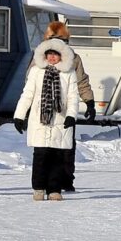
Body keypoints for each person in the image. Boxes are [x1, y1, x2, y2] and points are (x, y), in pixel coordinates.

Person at [13, 39, 79, 201]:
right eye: (49, 54)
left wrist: (71, 115)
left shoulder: (68, 73)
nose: (51, 58)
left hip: (60, 120)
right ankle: (39, 188)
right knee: (41, 156)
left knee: (57, 157)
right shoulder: (36, 71)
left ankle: (54, 189)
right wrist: (19, 115)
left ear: (62, 56)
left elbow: (73, 97)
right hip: (40, 120)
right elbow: (27, 94)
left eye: (55, 55)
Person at [42, 21, 96, 192]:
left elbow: (81, 81)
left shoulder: (73, 58)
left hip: (66, 108)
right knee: (45, 146)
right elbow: (31, 81)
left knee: (66, 146)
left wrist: (89, 102)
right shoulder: (41, 57)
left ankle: (65, 179)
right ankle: (45, 180)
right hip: (45, 107)